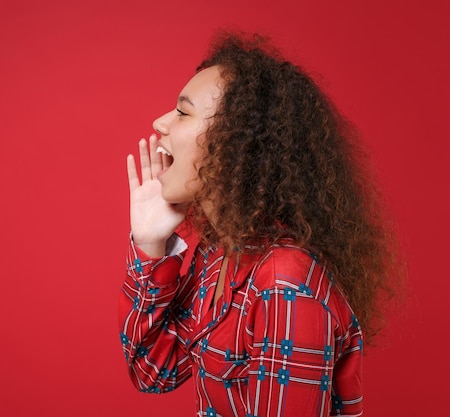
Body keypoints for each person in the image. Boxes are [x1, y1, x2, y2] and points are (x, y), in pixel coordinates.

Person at [118, 31, 404, 417]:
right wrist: (150, 243)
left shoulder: (286, 283)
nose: (160, 123)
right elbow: (154, 371)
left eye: (183, 113)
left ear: (237, 142)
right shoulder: (222, 251)